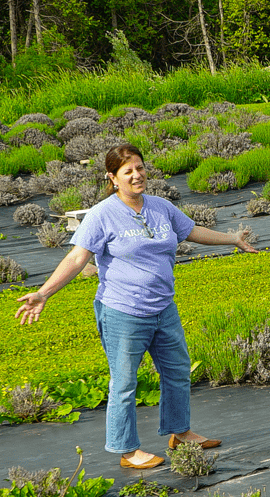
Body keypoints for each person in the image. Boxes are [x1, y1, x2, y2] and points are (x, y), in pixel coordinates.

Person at [14, 144, 255, 470]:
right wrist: (44, 293)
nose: (137, 175)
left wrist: (233, 239)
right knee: (124, 383)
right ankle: (127, 450)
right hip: (122, 312)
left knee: (177, 372)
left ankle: (180, 432)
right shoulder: (102, 215)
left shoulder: (160, 207)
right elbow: (76, 257)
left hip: (163, 308)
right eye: (128, 171)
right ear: (113, 178)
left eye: (140, 168)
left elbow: (192, 231)